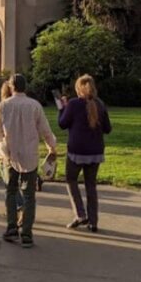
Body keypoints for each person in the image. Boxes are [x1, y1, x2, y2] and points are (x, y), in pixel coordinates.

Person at [0, 73, 57, 249]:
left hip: (10, 153)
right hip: (30, 154)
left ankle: (12, 228)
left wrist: (0, 150)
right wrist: (52, 146)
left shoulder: (4, 106)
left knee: (10, 191)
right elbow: (45, 129)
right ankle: (27, 234)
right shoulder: (34, 105)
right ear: (25, 87)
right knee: (29, 195)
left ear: (11, 87)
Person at [58, 74, 111, 233]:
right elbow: (108, 129)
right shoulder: (100, 104)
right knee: (91, 185)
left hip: (76, 150)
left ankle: (80, 213)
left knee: (71, 180)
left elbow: (62, 124)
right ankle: (93, 221)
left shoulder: (73, 104)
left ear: (78, 88)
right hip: (95, 151)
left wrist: (62, 109)